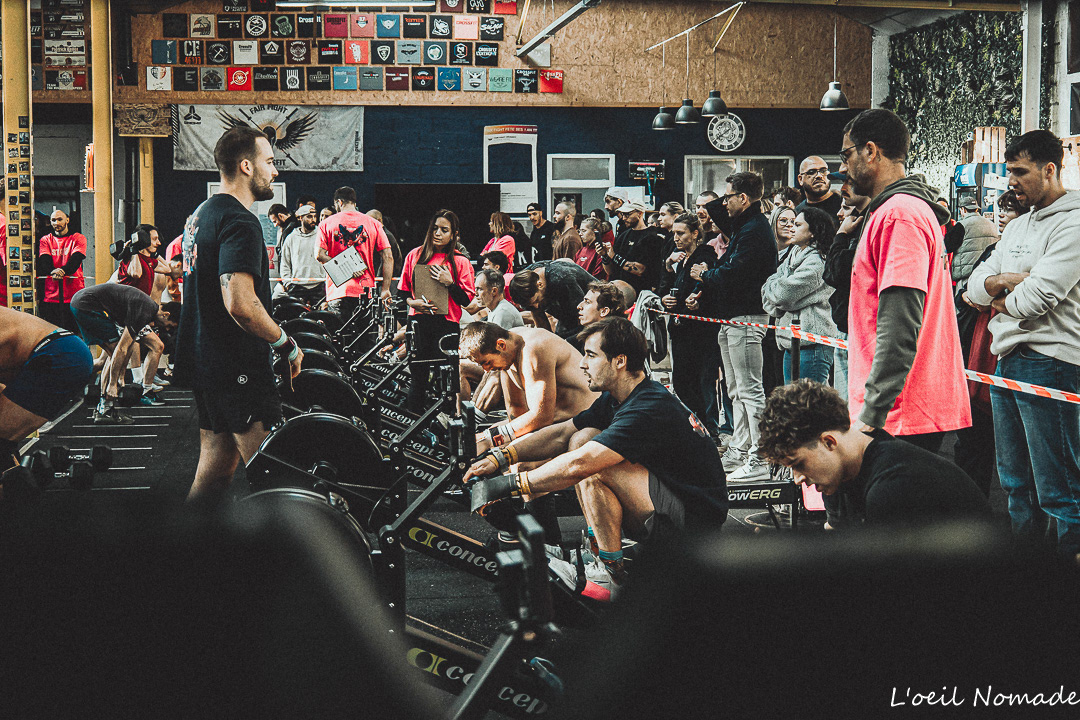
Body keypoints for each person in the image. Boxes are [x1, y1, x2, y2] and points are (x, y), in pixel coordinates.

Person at [464, 318, 727, 601]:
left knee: (594, 467)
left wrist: (510, 484)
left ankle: (611, 573)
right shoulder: (618, 397)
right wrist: (501, 457)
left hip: (693, 528)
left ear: (619, 361)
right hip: (670, 501)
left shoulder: (647, 407)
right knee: (582, 437)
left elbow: (580, 464)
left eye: (590, 356)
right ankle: (596, 551)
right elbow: (563, 433)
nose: (582, 364)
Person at [174, 126, 304, 507]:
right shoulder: (241, 221)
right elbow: (240, 304)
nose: (275, 172)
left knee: (214, 469)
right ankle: (287, 562)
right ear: (247, 166)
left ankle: (176, 557)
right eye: (270, 162)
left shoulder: (198, 216)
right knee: (275, 476)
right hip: (237, 366)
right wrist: (286, 344)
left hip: (206, 362)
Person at [966, 129, 1080, 558]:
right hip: (1008, 360)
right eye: (1008, 170)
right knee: (1015, 483)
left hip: (1052, 362)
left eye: (1020, 171)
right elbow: (975, 287)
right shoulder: (1018, 226)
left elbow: (1039, 299)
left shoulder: (1074, 222)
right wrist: (1003, 283)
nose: (1010, 180)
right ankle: (1024, 585)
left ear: (1049, 170)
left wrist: (997, 295)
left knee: (1060, 486)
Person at [839, 108, 970, 453]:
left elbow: (900, 325)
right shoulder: (899, 210)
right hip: (902, 407)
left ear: (871, 151)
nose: (842, 167)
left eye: (846, 154)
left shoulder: (899, 215)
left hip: (899, 413)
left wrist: (872, 414)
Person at [758, 380, 991, 527]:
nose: (798, 478)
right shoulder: (846, 473)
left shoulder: (894, 487)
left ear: (829, 441)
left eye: (799, 464)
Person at [688, 172, 778, 481]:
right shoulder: (745, 226)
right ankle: (741, 447)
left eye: (729, 197)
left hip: (748, 317)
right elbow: (716, 213)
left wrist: (705, 276)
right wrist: (718, 202)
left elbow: (734, 272)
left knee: (750, 389)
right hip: (733, 318)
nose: (723, 203)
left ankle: (762, 455)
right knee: (735, 389)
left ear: (743, 198)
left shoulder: (754, 230)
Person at [398, 209, 476, 412]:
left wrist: (450, 283)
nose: (438, 234)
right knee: (418, 378)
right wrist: (412, 303)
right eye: (435, 229)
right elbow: (402, 293)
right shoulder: (414, 255)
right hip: (418, 322)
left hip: (446, 325)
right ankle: (413, 426)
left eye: (444, 230)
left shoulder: (461, 261)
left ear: (453, 234)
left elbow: (467, 300)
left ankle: (446, 428)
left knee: (447, 380)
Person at [0, 307, 93, 474]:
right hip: (64, 350)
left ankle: (14, 491)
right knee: (5, 437)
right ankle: (16, 482)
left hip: (59, 354)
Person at [70, 283, 180, 422]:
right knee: (114, 350)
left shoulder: (145, 311)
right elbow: (120, 349)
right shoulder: (145, 311)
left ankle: (103, 407)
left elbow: (128, 345)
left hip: (84, 303)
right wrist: (113, 385)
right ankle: (104, 408)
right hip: (86, 305)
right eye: (169, 326)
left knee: (111, 355)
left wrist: (121, 376)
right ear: (166, 315)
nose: (167, 330)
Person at [659, 213, 722, 441]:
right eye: (673, 233)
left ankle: (709, 430)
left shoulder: (705, 255)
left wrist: (697, 298)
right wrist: (666, 295)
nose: (675, 237)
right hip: (680, 329)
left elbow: (706, 287)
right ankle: (695, 427)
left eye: (680, 233)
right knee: (681, 382)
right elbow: (666, 289)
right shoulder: (681, 259)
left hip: (700, 332)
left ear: (695, 233)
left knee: (702, 381)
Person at [760, 206, 838, 385]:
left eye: (797, 224)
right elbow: (771, 291)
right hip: (791, 344)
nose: (791, 228)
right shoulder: (794, 254)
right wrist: (780, 298)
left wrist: (779, 295)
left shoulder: (818, 261)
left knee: (808, 407)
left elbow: (783, 295)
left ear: (813, 232)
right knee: (794, 405)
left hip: (812, 346)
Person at [822, 175, 871, 403]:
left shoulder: (863, 228)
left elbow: (834, 272)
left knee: (852, 408)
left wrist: (841, 235)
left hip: (860, 331)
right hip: (847, 327)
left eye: (845, 208)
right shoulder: (856, 230)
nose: (840, 215)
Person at [317, 186, 394, 319]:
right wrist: (386, 289)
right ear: (354, 203)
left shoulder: (326, 223)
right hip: (365, 290)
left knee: (340, 336)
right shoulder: (373, 223)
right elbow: (388, 257)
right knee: (366, 337)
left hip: (338, 291)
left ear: (339, 202)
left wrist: (347, 268)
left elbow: (319, 255)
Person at [508, 260, 595, 345]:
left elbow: (583, 317)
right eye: (531, 305)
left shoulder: (562, 279)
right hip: (566, 314)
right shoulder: (523, 286)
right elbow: (541, 323)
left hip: (594, 310)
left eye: (537, 300)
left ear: (540, 285)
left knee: (570, 344)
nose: (537, 306)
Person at [37, 209, 87, 332]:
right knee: (53, 333)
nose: (56, 223)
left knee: (74, 333)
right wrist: (53, 271)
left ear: (67, 220)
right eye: (53, 220)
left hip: (73, 295)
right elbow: (45, 261)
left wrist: (61, 271)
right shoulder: (45, 240)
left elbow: (75, 261)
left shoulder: (78, 238)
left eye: (60, 219)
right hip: (51, 296)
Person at [600, 201, 664, 295]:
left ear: (640, 213)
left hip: (638, 291)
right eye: (623, 214)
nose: (624, 218)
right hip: (618, 291)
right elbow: (610, 271)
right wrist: (604, 256)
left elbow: (640, 269)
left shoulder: (652, 237)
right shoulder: (623, 236)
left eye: (628, 214)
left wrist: (614, 256)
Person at [278, 204, 325, 307]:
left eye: (314, 216)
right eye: (309, 216)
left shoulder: (321, 236)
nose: (313, 219)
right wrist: (288, 283)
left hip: (319, 286)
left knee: (320, 318)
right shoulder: (291, 238)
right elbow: (285, 263)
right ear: (300, 218)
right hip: (297, 287)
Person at [118, 223, 177, 302]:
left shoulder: (149, 261)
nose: (159, 243)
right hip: (128, 306)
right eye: (155, 239)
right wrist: (134, 250)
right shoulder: (129, 260)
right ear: (144, 239)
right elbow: (136, 273)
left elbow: (167, 269)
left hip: (141, 305)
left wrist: (156, 255)